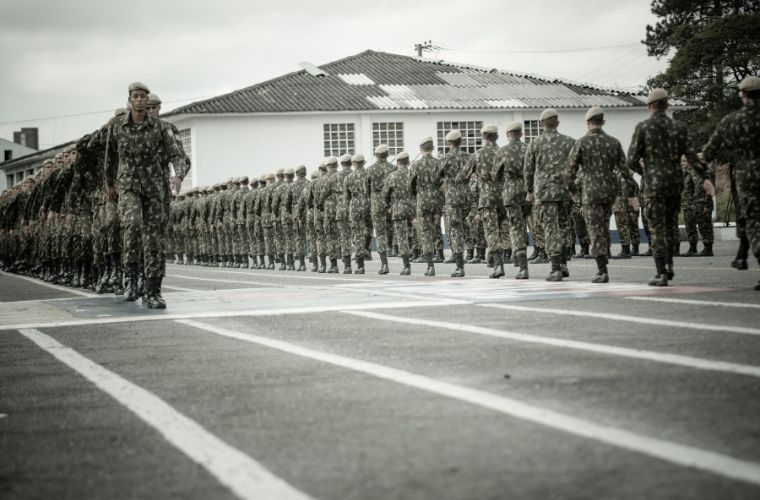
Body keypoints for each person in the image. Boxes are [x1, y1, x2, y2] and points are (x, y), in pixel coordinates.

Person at [104, 82, 188, 308]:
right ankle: (131, 278)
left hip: (155, 189)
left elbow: (178, 155)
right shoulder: (117, 126)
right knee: (131, 225)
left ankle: (153, 290)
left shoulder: (161, 128)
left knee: (154, 238)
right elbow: (110, 158)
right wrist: (110, 184)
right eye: (136, 96)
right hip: (129, 186)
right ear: (130, 100)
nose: (141, 101)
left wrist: (178, 177)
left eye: (144, 97)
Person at [627, 88, 715, 286]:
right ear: (666, 105)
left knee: (657, 227)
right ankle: (670, 262)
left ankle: (662, 271)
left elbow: (631, 160)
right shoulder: (679, 127)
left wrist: (646, 173)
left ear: (650, 106)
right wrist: (706, 178)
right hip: (675, 184)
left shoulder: (643, 127)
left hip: (654, 186)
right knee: (670, 224)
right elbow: (692, 157)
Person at [702, 76, 760, 290]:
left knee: (754, 221)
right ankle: (742, 254)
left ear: (743, 95)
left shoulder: (732, 120)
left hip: (748, 176)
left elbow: (709, 150)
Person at [566, 106, 637, 283]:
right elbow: (626, 170)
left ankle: (602, 269)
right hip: (610, 193)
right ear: (603, 122)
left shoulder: (581, 143)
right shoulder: (613, 142)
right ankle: (605, 256)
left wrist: (573, 192)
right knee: (604, 226)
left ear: (587, 123)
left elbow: (569, 172)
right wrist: (632, 194)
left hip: (590, 193)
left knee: (595, 230)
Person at [524, 109, 576, 281]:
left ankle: (555, 268)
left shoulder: (535, 143)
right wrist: (573, 188)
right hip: (564, 192)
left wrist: (530, 191)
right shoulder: (569, 142)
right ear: (557, 123)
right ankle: (563, 263)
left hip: (545, 193)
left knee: (550, 228)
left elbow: (528, 170)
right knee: (563, 227)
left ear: (541, 123)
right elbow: (577, 167)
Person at [492, 121, 530, 279]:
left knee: (515, 227)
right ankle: (517, 255)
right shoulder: (528, 148)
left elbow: (495, 175)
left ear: (508, 135)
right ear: (520, 134)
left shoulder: (503, 151)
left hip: (511, 192)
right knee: (523, 225)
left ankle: (522, 267)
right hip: (528, 191)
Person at [438, 130, 471, 277]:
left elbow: (435, 177)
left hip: (453, 198)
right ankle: (474, 254)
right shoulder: (469, 157)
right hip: (468, 196)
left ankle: (459, 266)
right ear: (461, 141)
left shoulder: (445, 158)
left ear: (448, 143)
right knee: (470, 227)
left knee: (456, 231)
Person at [409, 137, 442, 276]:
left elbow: (410, 185)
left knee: (425, 232)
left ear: (421, 149)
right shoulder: (439, 163)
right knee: (437, 228)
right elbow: (443, 181)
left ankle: (430, 265)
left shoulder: (416, 165)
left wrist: (417, 193)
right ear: (433, 148)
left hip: (423, 201)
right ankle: (440, 253)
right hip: (437, 200)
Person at [383, 152, 415, 275]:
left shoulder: (392, 176)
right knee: (412, 234)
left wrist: (387, 206)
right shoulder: (412, 173)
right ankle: (413, 252)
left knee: (402, 237)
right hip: (412, 208)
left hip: (399, 208)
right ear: (408, 161)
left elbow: (385, 194)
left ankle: (406, 266)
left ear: (398, 162)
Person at [344, 153, 370, 274]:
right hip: (369, 205)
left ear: (353, 164)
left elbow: (346, 197)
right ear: (364, 163)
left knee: (357, 235)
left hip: (355, 207)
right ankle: (368, 250)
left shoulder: (349, 178)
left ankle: (360, 266)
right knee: (369, 231)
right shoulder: (369, 174)